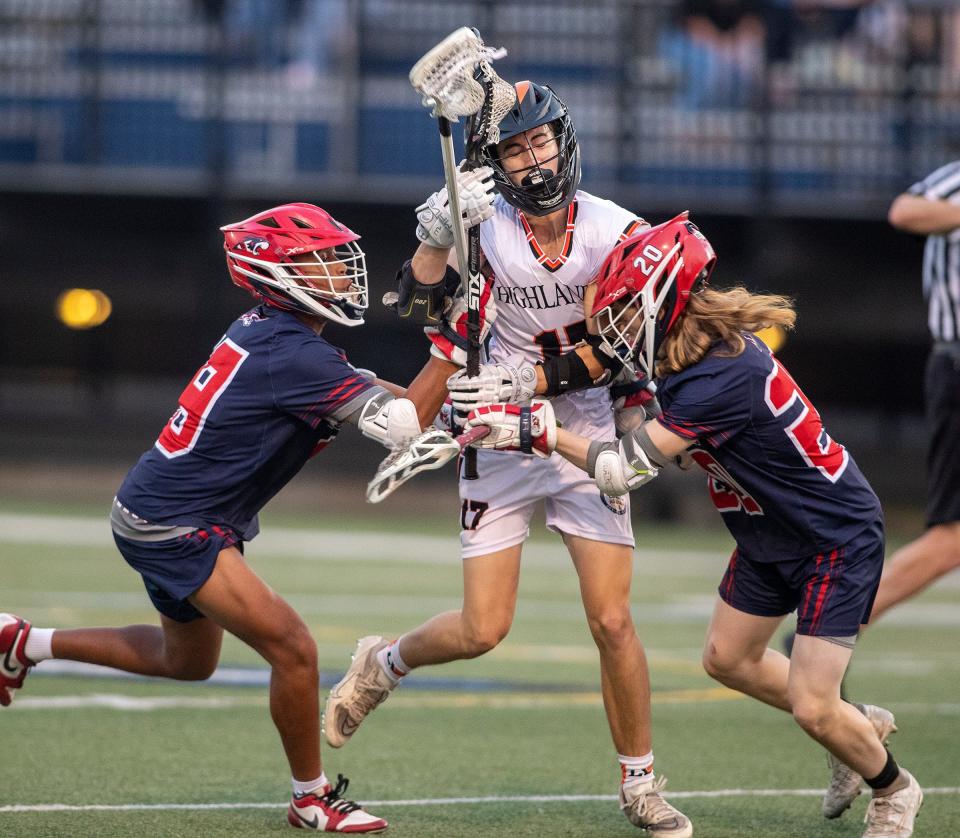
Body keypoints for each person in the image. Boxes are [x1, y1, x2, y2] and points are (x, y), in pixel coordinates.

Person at [0, 202, 485, 834]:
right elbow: (399, 427)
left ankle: (20, 643)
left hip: (159, 509)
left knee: (188, 663)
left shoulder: (275, 335)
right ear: (276, 274)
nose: (342, 275)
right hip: (178, 522)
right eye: (322, 263)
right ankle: (309, 798)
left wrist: (448, 404)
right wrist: (451, 345)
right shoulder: (291, 352)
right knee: (295, 648)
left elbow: (367, 387)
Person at [462, 215, 924, 838]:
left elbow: (622, 470)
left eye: (624, 309)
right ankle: (858, 724)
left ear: (661, 303)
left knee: (814, 706)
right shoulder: (690, 353)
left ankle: (894, 788)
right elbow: (670, 444)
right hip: (770, 530)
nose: (612, 323)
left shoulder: (718, 376)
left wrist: (535, 430)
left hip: (830, 538)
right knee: (728, 659)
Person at [324, 80, 693, 837]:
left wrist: (537, 380)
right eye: (514, 149)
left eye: (540, 142)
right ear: (495, 161)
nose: (532, 160)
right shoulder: (483, 223)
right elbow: (421, 311)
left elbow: (624, 345)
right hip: (495, 427)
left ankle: (641, 783)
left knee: (613, 620)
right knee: (482, 627)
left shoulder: (616, 232)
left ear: (564, 140)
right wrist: (433, 243)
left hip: (579, 427)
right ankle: (383, 663)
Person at [875, 163, 960, 622]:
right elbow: (905, 210)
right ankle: (837, 626)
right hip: (957, 362)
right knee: (953, 537)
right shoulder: (955, 180)